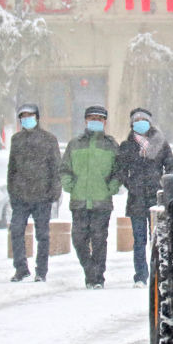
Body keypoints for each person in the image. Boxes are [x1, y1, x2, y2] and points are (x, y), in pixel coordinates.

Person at [60, 105, 120, 289]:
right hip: (79, 201)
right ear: (86, 120)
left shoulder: (111, 145)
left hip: (102, 201)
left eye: (100, 119)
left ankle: (97, 278)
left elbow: (119, 171)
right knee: (78, 239)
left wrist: (113, 186)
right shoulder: (75, 143)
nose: (96, 122)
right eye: (92, 118)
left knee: (99, 240)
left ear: (105, 122)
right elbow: (65, 168)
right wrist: (69, 184)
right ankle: (90, 271)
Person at [117, 108, 173, 287]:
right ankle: (141, 275)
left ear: (150, 121)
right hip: (136, 199)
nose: (140, 122)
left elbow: (170, 166)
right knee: (139, 239)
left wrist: (162, 184)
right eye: (137, 119)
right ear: (132, 124)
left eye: (144, 119)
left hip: (156, 198)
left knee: (158, 239)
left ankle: (160, 274)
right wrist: (130, 183)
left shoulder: (160, 143)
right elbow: (120, 170)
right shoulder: (127, 146)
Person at [8, 104, 62, 282]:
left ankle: (41, 270)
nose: (27, 119)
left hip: (42, 196)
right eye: (23, 116)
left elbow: (55, 168)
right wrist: (12, 191)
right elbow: (12, 168)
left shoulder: (49, 139)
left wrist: (54, 192)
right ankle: (21, 268)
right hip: (20, 196)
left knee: (43, 235)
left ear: (37, 117)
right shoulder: (16, 139)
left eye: (30, 115)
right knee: (16, 231)